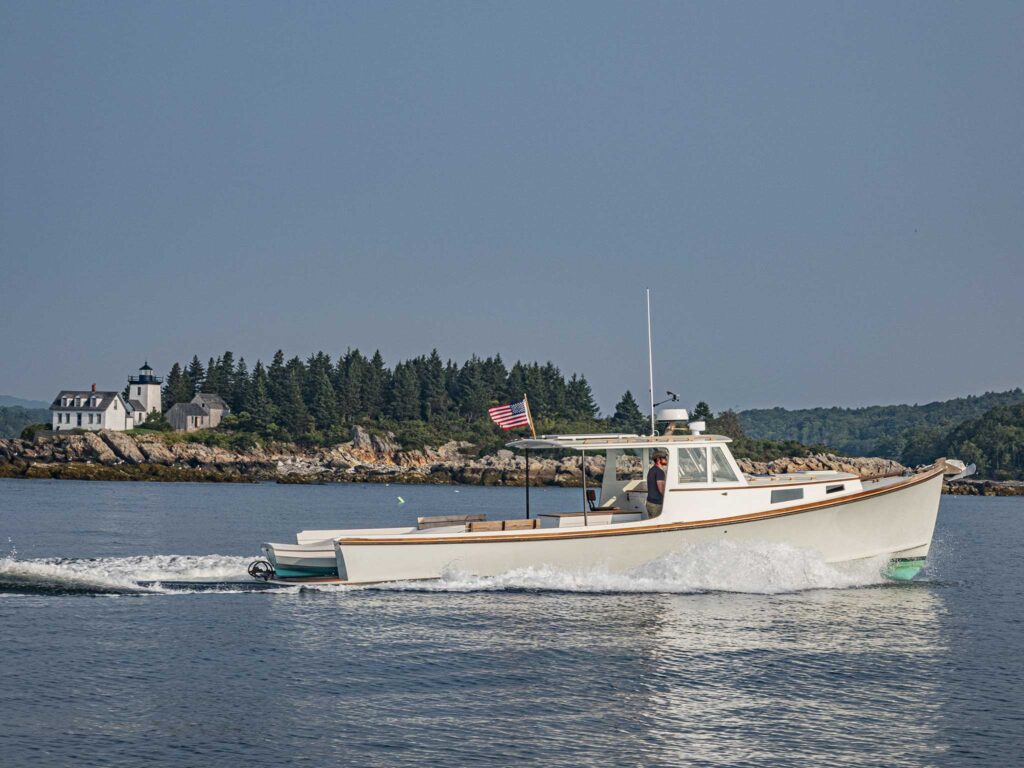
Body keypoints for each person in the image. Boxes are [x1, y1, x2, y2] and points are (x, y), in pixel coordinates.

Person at [645, 451, 668, 519]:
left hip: (649, 503)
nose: (666, 459)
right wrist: (668, 498)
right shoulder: (659, 472)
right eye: (664, 458)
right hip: (656, 504)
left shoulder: (651, 470)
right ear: (658, 460)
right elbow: (661, 488)